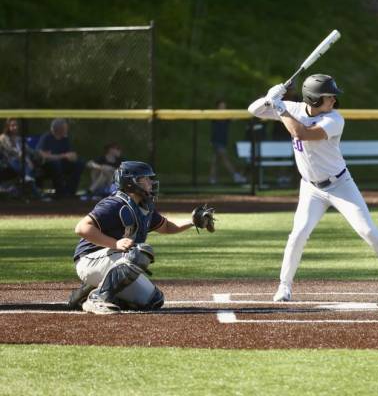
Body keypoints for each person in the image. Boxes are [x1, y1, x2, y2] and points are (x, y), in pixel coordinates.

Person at [248, 74, 378, 302]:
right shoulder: (294, 108)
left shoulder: (334, 119)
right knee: (298, 234)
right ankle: (284, 286)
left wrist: (280, 108)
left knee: (368, 231)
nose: (333, 100)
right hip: (311, 188)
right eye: (328, 96)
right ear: (313, 99)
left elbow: (301, 133)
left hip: (341, 184)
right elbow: (254, 110)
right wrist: (271, 96)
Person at [68, 160, 215, 314]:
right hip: (89, 260)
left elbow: (165, 226)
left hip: (110, 261)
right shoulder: (115, 203)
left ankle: (86, 293)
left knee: (153, 300)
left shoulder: (142, 206)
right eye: (146, 178)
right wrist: (115, 243)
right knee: (139, 253)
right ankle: (98, 298)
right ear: (132, 182)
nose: (151, 182)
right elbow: (82, 227)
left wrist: (192, 222)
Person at [36, 118, 85, 197]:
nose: (67, 130)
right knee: (56, 164)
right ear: (58, 129)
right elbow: (44, 156)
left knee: (79, 163)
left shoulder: (65, 139)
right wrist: (62, 156)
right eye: (65, 128)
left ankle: (70, 192)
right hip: (48, 166)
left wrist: (73, 156)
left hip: (63, 163)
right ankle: (60, 192)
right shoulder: (46, 138)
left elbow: (69, 153)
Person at [209, 100, 246, 185]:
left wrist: (245, 114)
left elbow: (234, 118)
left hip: (223, 141)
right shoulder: (214, 116)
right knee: (225, 159)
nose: (223, 108)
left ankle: (212, 178)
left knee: (215, 161)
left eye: (224, 106)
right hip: (216, 141)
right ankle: (235, 176)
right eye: (221, 106)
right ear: (217, 107)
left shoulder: (226, 117)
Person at [0, 118, 40, 195]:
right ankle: (35, 190)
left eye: (16, 125)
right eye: (12, 125)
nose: (15, 127)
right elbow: (11, 151)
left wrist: (39, 153)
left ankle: (28, 180)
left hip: (21, 162)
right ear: (8, 126)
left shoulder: (19, 138)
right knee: (19, 161)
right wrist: (25, 159)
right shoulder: (3, 137)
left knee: (30, 161)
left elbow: (28, 150)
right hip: (9, 162)